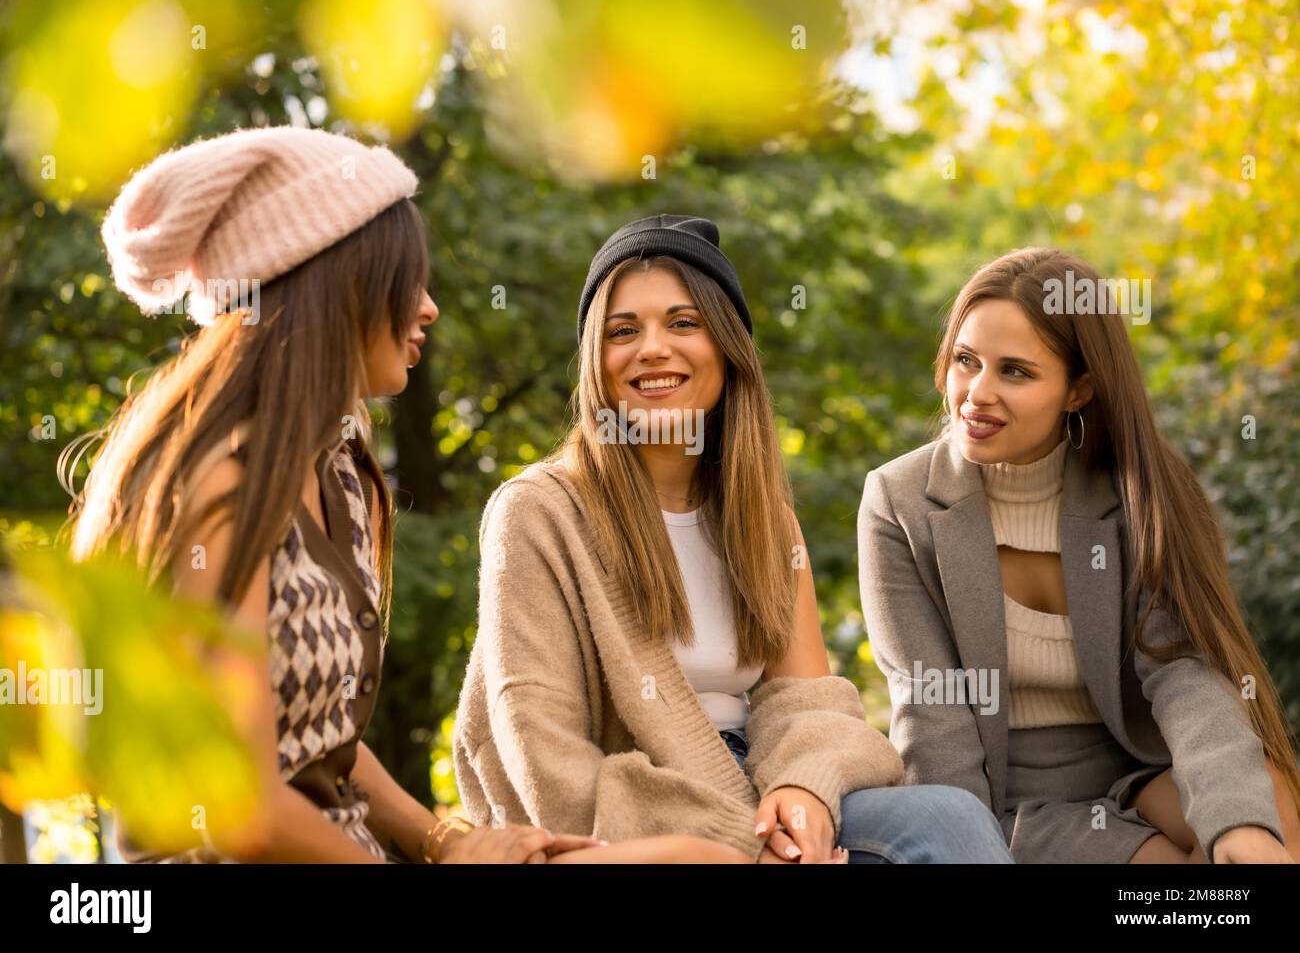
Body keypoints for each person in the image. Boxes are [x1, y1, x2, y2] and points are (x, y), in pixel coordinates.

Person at [66, 126, 598, 863]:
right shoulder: (221, 481)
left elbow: (323, 746)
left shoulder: (335, 469)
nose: (429, 307)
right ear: (335, 284)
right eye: (405, 279)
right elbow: (238, 806)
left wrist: (450, 842)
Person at [453, 215, 1015, 863]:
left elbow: (802, 700)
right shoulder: (538, 514)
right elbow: (539, 749)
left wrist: (804, 790)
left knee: (946, 819)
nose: (653, 348)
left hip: (760, 788)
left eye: (683, 324)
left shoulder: (764, 521)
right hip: (642, 822)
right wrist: (739, 843)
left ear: (727, 349)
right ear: (595, 363)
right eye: (623, 330)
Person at [858, 246, 1300, 863]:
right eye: (966, 361)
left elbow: (1184, 672)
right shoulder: (900, 501)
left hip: (1140, 771)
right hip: (1011, 806)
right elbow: (931, 712)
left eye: (1015, 372)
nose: (976, 393)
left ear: (1079, 390)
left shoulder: (1141, 488)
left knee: (1263, 815)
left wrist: (1237, 824)